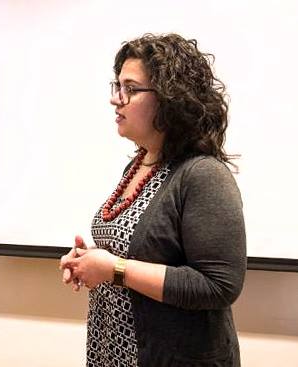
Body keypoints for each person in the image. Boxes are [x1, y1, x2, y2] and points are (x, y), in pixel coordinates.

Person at [60, 33, 246, 366]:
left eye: (130, 89)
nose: (116, 100)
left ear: (170, 98)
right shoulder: (139, 164)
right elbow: (144, 252)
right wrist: (90, 261)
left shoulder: (202, 174)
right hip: (116, 352)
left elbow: (218, 285)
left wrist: (114, 269)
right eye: (117, 87)